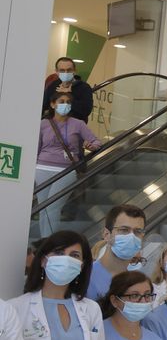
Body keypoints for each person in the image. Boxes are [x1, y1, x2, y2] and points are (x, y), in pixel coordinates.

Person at [35, 89, 102, 235]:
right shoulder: (43, 124)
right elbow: (37, 148)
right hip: (42, 168)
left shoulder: (78, 124)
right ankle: (44, 242)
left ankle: (49, 243)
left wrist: (92, 146)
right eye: (61, 102)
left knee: (53, 207)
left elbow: (96, 141)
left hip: (66, 171)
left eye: (68, 103)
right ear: (53, 104)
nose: (65, 105)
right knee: (42, 208)